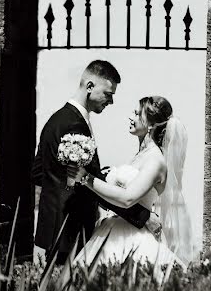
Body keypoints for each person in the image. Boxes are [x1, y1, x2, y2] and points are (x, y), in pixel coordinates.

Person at [31, 60, 155, 264]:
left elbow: (38, 173)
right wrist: (143, 217)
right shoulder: (74, 124)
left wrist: (59, 191)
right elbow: (89, 184)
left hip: (54, 228)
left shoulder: (56, 119)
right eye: (109, 94)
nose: (111, 101)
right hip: (71, 229)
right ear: (90, 86)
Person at [74, 95, 202, 271]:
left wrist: (86, 178)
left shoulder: (155, 161)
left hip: (132, 236)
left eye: (136, 114)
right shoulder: (139, 156)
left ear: (150, 124)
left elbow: (127, 199)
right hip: (112, 228)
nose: (131, 118)